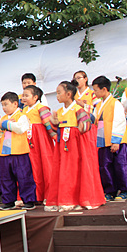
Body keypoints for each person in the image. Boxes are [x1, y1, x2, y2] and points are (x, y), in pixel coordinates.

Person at [46, 81, 105, 211]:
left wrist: (81, 127)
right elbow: (56, 129)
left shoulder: (78, 109)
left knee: (78, 171)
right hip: (64, 146)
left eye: (59, 92)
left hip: (76, 146)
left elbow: (87, 125)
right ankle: (66, 198)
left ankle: (79, 198)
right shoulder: (60, 111)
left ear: (68, 94)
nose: (57, 95)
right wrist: (54, 123)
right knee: (64, 172)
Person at [0, 92, 37, 210]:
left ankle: (29, 200)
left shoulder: (22, 116)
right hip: (5, 153)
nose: (4, 108)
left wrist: (6, 124)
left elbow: (21, 128)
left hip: (19, 152)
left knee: (24, 177)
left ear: (15, 104)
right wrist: (4, 124)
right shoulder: (2, 118)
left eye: (6, 104)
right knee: (6, 178)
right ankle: (9, 201)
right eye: (2, 105)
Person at [92, 76, 127, 201]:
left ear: (104, 89)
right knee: (105, 166)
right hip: (103, 139)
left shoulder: (115, 103)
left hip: (115, 140)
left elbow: (120, 122)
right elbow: (94, 119)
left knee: (120, 165)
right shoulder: (99, 104)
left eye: (96, 90)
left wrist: (116, 141)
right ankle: (110, 190)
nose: (94, 93)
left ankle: (124, 190)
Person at [21, 85, 55, 203]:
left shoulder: (42, 108)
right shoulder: (24, 110)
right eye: (23, 95)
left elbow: (49, 125)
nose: (23, 98)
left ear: (35, 97)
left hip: (41, 141)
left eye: (26, 95)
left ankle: (49, 195)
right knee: (33, 167)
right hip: (29, 142)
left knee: (45, 166)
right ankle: (36, 195)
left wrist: (55, 137)